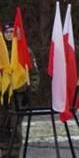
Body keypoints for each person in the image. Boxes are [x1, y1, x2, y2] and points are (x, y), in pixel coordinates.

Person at [0, 21, 39, 158]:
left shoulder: (24, 50)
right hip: (2, 95)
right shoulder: (1, 51)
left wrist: (30, 91)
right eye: (6, 32)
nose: (9, 34)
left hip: (18, 95)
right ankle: (5, 153)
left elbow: (34, 74)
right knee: (2, 126)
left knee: (15, 126)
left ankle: (15, 154)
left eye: (12, 31)